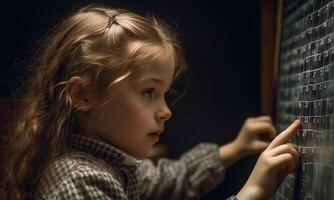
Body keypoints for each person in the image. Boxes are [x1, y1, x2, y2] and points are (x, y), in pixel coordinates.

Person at [1, 4, 301, 200]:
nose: (166, 111)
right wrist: (251, 194)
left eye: (164, 94)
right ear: (83, 95)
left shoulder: (110, 161)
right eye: (148, 92)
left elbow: (168, 179)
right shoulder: (80, 181)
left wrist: (233, 150)